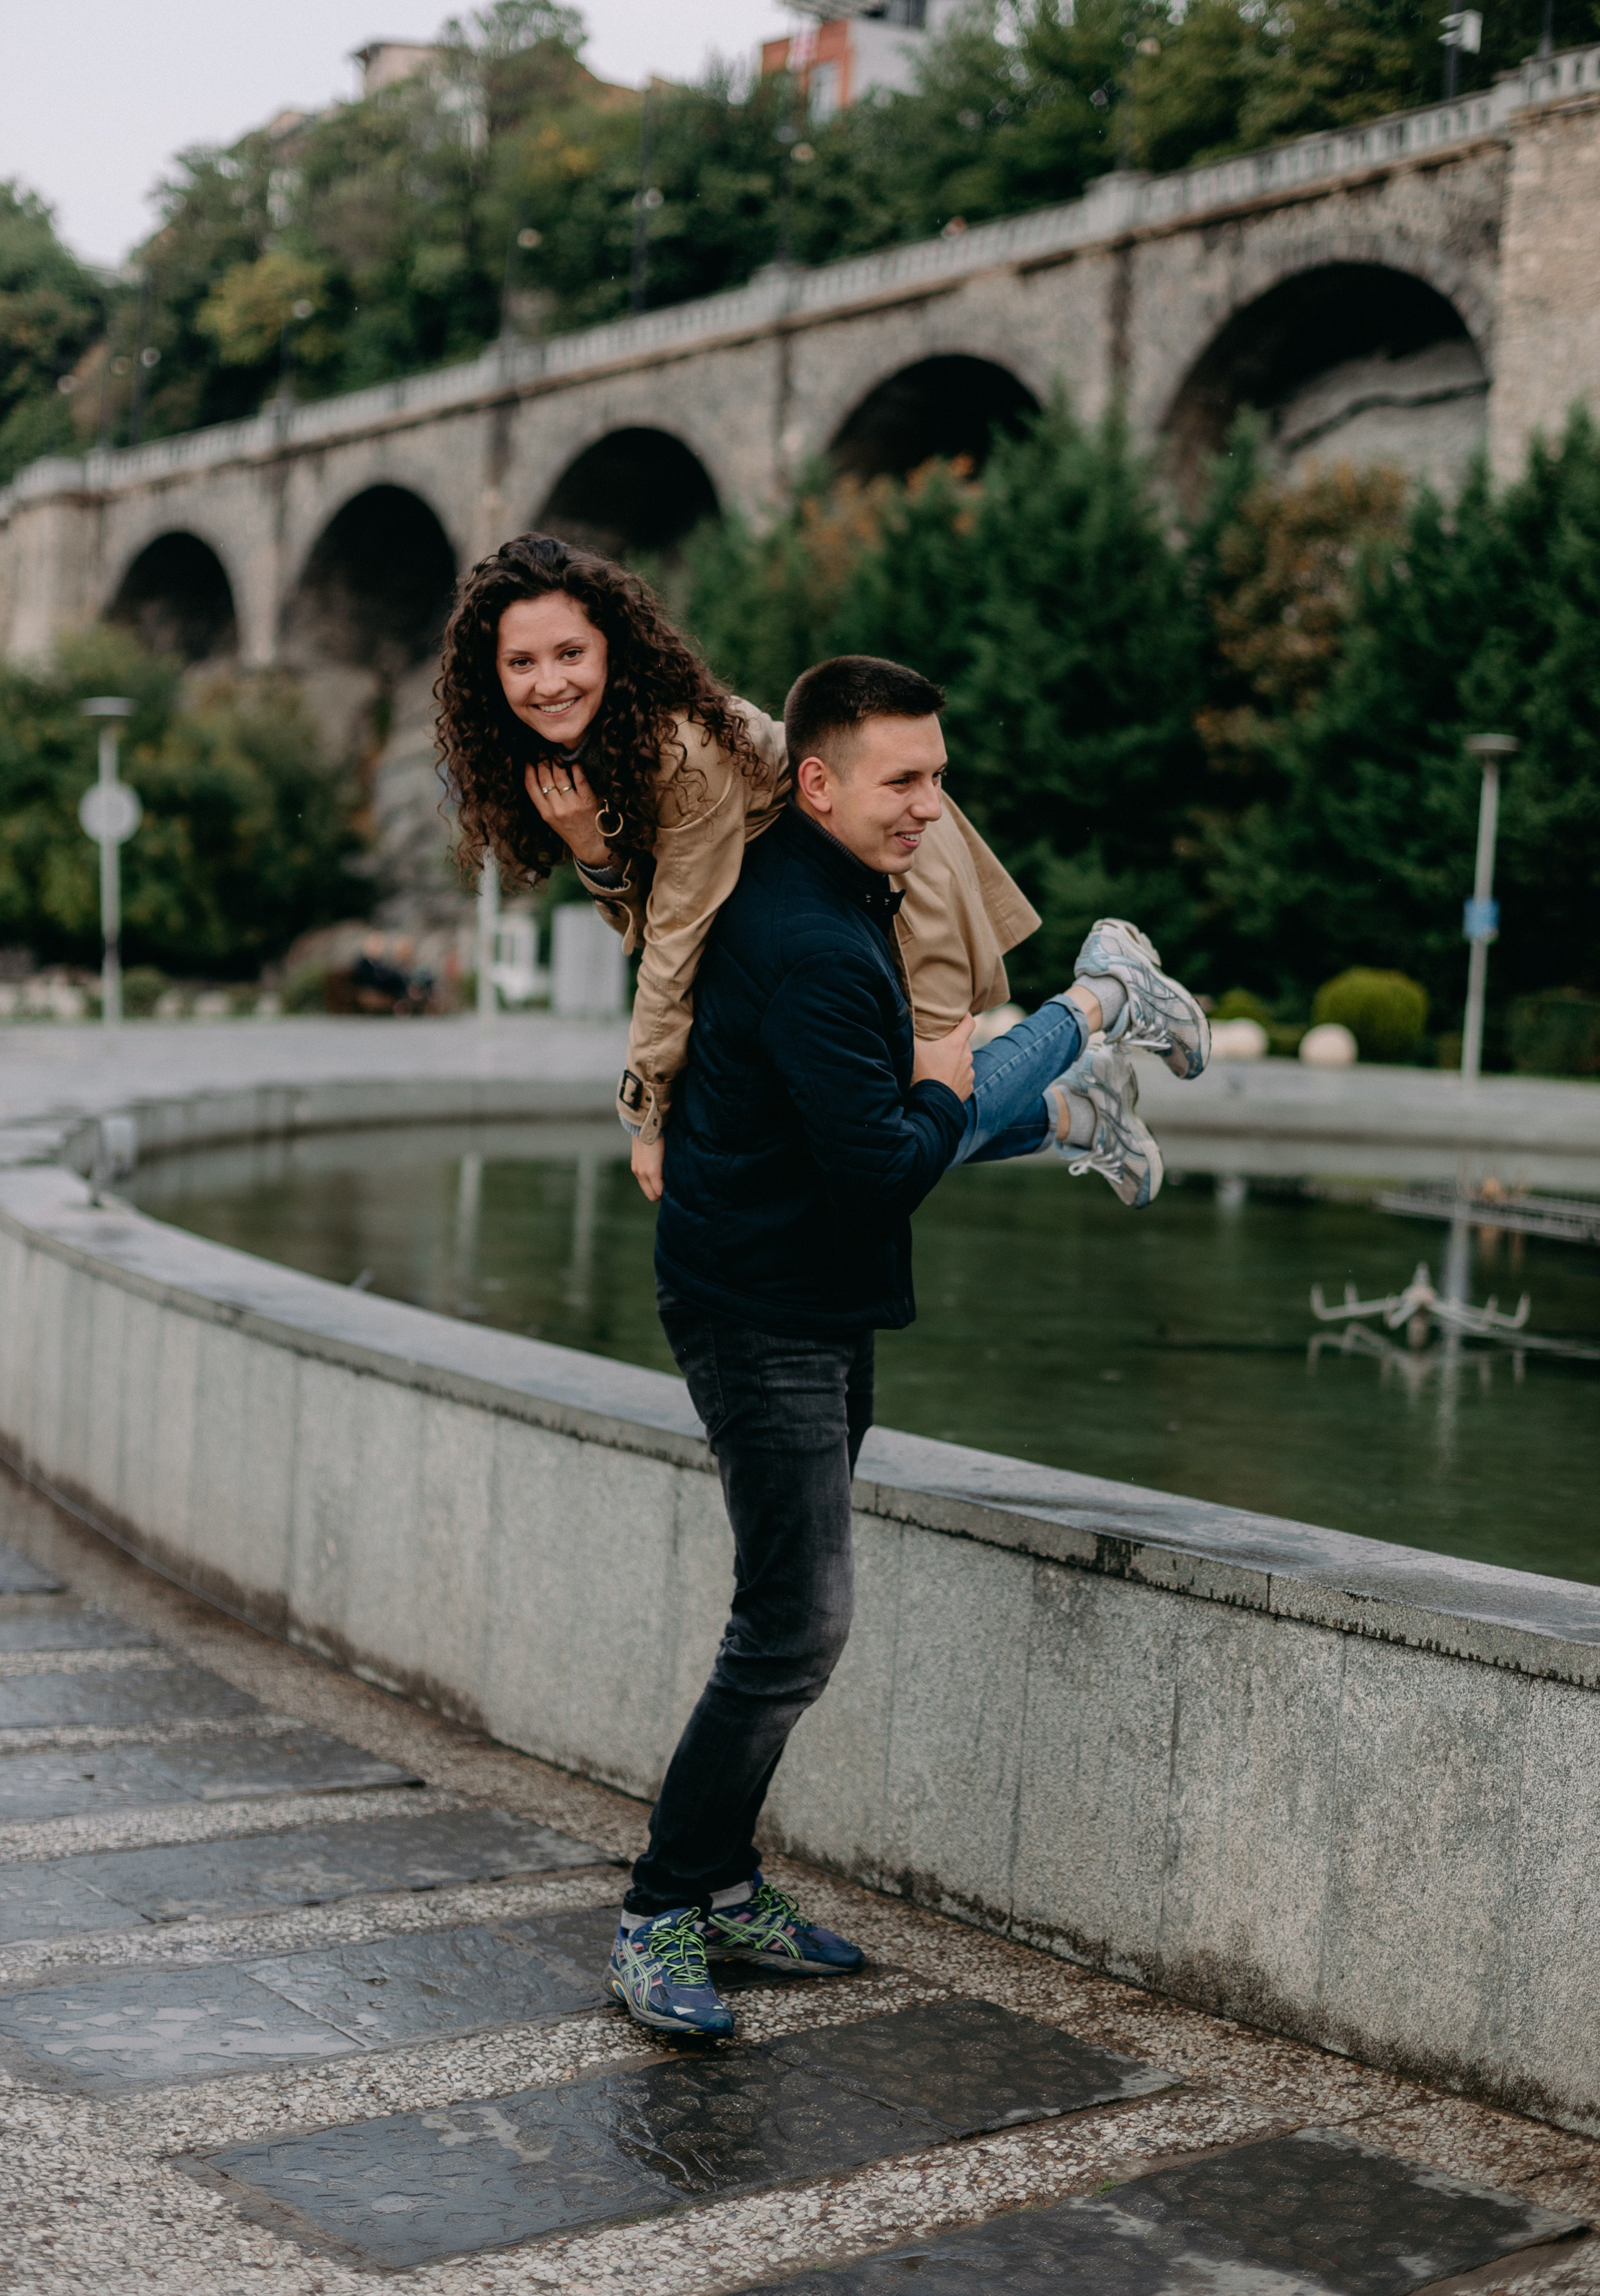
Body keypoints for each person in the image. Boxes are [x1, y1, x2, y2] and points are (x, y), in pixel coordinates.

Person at [602, 657, 1210, 2038]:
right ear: (813, 782)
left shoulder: (833, 900)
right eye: (906, 780)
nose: (931, 806)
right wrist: (968, 1079)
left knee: (779, 1614)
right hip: (762, 1313)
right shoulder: (818, 944)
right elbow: (877, 1166)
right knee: (793, 1626)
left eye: (937, 775)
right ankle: (658, 1912)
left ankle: (721, 1883)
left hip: (801, 1292)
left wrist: (947, 1093)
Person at [435, 533, 1206, 1205]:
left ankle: (1105, 994)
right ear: (490, 675)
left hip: (883, 872)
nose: (549, 682)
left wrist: (644, 1113)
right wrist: (592, 848)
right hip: (798, 899)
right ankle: (1081, 1113)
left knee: (895, 1122)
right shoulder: (583, 754)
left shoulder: (678, 751)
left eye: (570, 653)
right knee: (827, 1132)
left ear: (611, 647)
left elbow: (672, 938)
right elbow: (648, 913)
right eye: (521, 663)